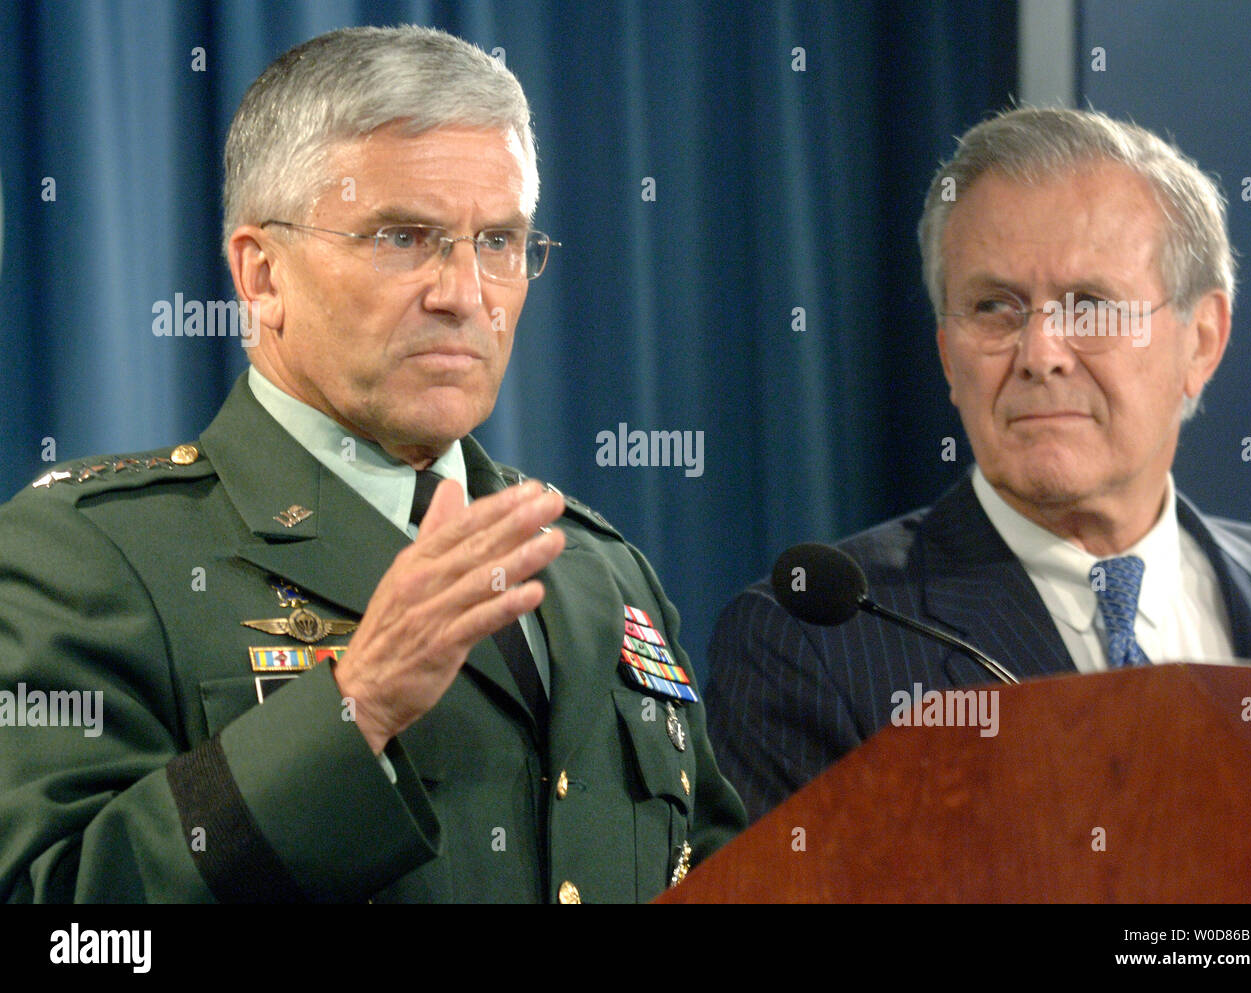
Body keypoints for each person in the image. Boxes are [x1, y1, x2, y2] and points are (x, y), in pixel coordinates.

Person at [0, 25, 744, 903]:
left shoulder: (601, 573)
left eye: (500, 242)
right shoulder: (89, 555)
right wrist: (355, 707)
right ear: (262, 273)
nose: (465, 295)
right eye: (402, 238)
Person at [706, 107, 1251, 821]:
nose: (1041, 352)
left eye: (1090, 305)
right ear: (947, 356)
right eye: (994, 306)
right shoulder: (814, 643)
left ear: (1201, 340)